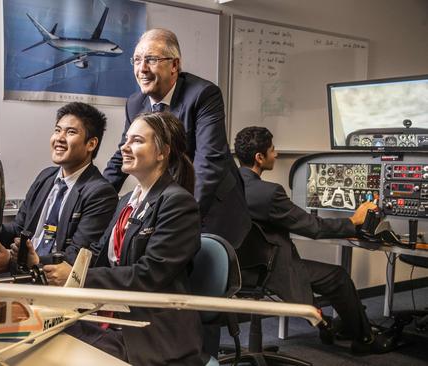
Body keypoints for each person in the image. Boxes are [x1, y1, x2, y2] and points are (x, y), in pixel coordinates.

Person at [19, 112, 204, 365]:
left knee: (52, 350)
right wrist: (41, 262)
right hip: (111, 319)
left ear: (162, 152)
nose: (124, 148)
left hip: (149, 332)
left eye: (137, 141)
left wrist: (78, 277)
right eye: (125, 140)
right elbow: (95, 254)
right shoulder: (126, 202)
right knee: (36, 336)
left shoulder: (178, 203)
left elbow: (148, 274)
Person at [233, 126, 395, 354]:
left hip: (238, 269)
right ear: (259, 157)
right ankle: (365, 339)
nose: (276, 154)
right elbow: (314, 227)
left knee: (318, 272)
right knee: (338, 277)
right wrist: (354, 221)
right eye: (272, 150)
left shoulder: (227, 187)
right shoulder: (268, 193)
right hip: (269, 271)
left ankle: (335, 327)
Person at [103, 28, 250, 248]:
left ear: (174, 65)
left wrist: (183, 215)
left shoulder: (203, 94)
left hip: (211, 205)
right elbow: (122, 155)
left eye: (151, 60)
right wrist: (95, 197)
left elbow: (209, 161)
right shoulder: (135, 103)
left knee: (205, 276)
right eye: (137, 60)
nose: (142, 68)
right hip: (167, 199)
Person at [0, 102, 117, 272]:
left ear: (91, 144)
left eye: (70, 132)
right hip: (23, 275)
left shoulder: (100, 193)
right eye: (57, 130)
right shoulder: (46, 177)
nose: (59, 138)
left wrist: (16, 262)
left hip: (53, 282)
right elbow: (19, 229)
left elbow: (76, 256)